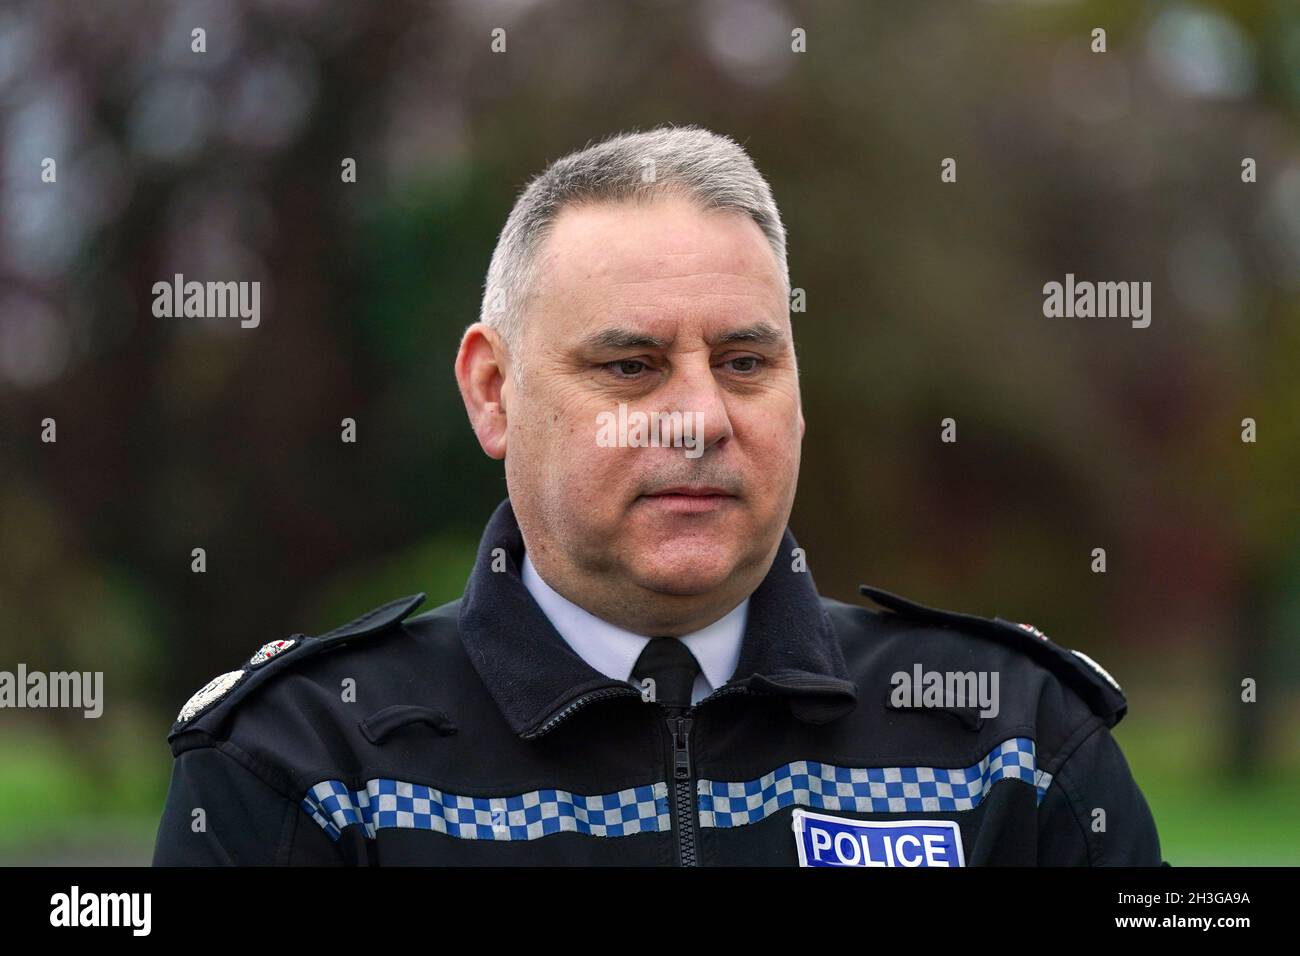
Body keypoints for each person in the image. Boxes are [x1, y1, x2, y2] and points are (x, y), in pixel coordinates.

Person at [152, 125, 1163, 866]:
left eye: (744, 360)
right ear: (494, 392)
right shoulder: (307, 765)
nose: (698, 417)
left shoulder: (1011, 741)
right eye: (631, 365)